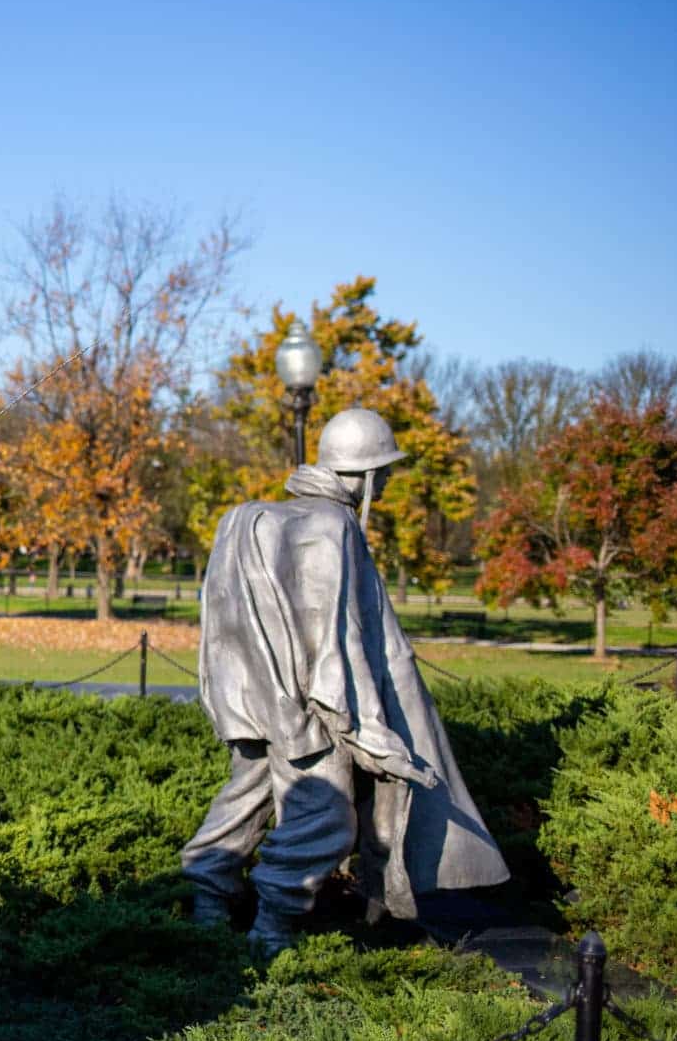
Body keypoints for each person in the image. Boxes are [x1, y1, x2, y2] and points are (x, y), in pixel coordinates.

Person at [183, 408, 509, 953]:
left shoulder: (251, 518)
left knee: (248, 793)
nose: (382, 484)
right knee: (326, 816)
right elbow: (341, 635)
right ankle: (272, 928)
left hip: (255, 699)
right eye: (382, 474)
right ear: (365, 476)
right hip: (312, 707)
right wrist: (362, 727)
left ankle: (207, 902)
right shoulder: (334, 527)